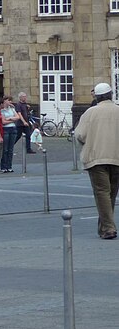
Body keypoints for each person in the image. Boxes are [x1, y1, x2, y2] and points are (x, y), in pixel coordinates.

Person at [74, 82, 119, 240]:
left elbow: (80, 135)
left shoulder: (90, 113)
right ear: (111, 95)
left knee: (102, 193)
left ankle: (108, 228)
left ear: (97, 97)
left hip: (96, 158)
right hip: (116, 157)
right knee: (111, 194)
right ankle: (105, 227)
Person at [0, 96, 25, 173]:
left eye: (11, 100)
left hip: (13, 129)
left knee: (10, 149)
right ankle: (3, 166)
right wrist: (12, 119)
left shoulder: (12, 109)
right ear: (4, 101)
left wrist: (9, 119)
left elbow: (17, 117)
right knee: (5, 149)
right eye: (9, 100)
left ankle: (9, 166)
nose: (10, 102)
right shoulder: (2, 111)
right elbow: (3, 122)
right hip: (6, 129)